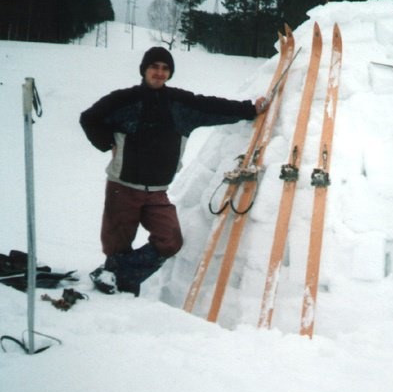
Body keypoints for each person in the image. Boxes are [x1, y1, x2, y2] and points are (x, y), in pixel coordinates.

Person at [80, 46, 267, 296]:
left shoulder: (179, 105)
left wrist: (248, 109)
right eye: (154, 67)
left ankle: (114, 275)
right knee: (117, 246)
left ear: (170, 73)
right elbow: (89, 118)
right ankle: (118, 295)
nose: (159, 72)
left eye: (165, 68)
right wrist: (107, 143)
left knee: (170, 240)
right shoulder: (124, 100)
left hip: (157, 192)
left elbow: (212, 107)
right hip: (122, 187)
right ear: (144, 70)